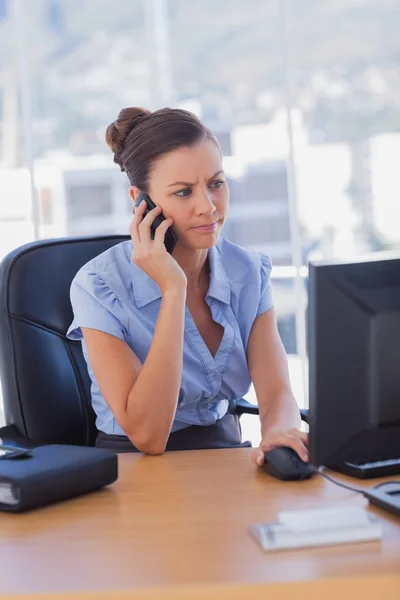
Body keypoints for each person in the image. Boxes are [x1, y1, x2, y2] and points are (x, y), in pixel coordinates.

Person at [66, 107, 308, 465]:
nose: (208, 207)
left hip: (226, 459)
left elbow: (276, 396)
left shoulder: (248, 272)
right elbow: (148, 436)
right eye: (183, 193)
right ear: (140, 200)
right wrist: (173, 291)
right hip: (135, 469)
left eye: (216, 183)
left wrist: (281, 434)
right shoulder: (99, 285)